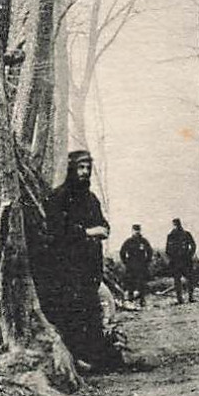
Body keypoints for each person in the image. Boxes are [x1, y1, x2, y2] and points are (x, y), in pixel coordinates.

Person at [42, 150, 125, 372]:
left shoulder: (91, 199)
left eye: (87, 167)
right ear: (71, 169)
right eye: (80, 167)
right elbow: (57, 232)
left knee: (94, 310)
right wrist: (89, 232)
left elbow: (105, 226)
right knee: (73, 313)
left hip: (90, 269)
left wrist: (100, 230)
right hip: (67, 270)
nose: (85, 172)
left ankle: (96, 358)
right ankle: (78, 359)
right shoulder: (58, 197)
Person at [119, 225, 154, 307]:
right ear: (132, 231)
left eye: (138, 230)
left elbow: (150, 251)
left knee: (141, 283)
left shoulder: (143, 241)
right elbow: (122, 252)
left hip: (141, 265)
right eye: (135, 230)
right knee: (130, 283)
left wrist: (147, 261)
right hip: (131, 266)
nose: (136, 232)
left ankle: (142, 300)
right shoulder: (129, 241)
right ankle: (131, 300)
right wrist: (126, 262)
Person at [165, 218, 198, 304]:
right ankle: (179, 299)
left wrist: (189, 255)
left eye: (177, 225)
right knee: (177, 280)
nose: (176, 226)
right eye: (175, 225)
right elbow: (167, 250)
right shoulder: (170, 236)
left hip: (186, 260)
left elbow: (193, 245)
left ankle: (190, 297)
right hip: (176, 261)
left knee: (190, 278)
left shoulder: (186, 234)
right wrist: (172, 258)